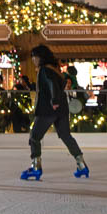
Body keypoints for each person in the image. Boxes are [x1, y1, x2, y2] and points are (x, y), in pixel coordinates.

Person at [21, 45, 88, 180]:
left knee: (34, 137)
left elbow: (51, 85)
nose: (33, 59)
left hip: (48, 109)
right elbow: (54, 85)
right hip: (61, 109)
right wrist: (30, 85)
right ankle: (81, 164)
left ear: (41, 57)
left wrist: (54, 100)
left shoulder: (45, 70)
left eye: (35, 56)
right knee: (65, 135)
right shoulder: (55, 70)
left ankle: (35, 167)